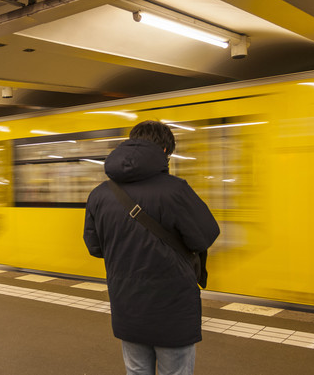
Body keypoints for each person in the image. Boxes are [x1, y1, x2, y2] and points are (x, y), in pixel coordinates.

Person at [83, 120, 220, 375]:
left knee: (136, 372)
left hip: (127, 303)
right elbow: (204, 237)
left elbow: (94, 246)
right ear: (165, 153)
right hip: (173, 306)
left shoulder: (100, 194)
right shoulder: (176, 191)